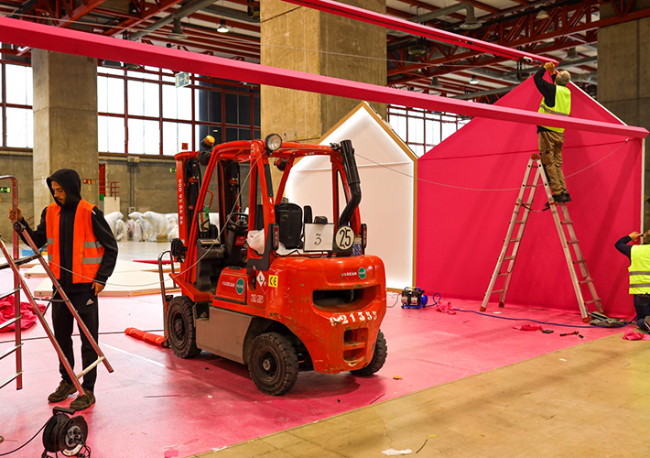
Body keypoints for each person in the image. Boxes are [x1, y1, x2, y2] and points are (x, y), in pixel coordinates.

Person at [8, 169, 117, 411]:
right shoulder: (50, 212)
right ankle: (68, 381)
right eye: (54, 191)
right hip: (59, 287)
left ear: (71, 188)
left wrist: (102, 278)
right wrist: (21, 223)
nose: (57, 195)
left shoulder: (90, 212)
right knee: (61, 338)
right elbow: (37, 241)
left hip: (85, 289)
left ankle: (88, 389)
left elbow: (111, 248)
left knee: (89, 340)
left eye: (60, 190)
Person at [534, 61, 572, 203]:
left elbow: (537, 80)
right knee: (557, 164)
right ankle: (563, 191)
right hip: (559, 133)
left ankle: (557, 193)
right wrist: (552, 73)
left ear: (556, 81)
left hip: (547, 131)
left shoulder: (553, 90)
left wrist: (543, 69)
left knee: (548, 163)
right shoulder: (566, 92)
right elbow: (555, 87)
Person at [615, 230, 650, 331]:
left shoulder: (634, 250)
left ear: (644, 238)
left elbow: (618, 244)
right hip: (642, 292)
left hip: (641, 292)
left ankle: (645, 323)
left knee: (641, 319)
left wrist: (629, 237)